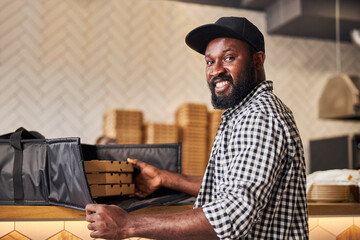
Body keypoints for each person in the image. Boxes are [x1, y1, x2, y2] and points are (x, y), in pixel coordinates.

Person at [86, 16, 309, 239]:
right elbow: (228, 186)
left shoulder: (259, 116)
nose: (216, 70)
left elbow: (231, 215)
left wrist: (127, 224)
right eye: (210, 62)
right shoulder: (243, 113)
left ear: (258, 60)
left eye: (229, 57)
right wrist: (164, 178)